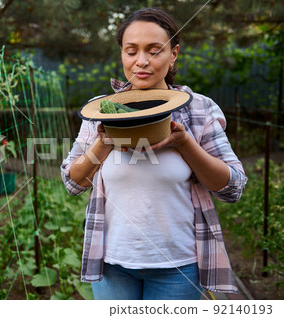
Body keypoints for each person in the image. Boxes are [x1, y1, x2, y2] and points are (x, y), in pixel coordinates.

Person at [60, 8, 247, 300]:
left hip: (180, 266)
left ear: (173, 54)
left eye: (154, 50)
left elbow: (233, 187)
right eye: (131, 51)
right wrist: (104, 142)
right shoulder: (99, 109)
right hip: (112, 263)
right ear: (121, 53)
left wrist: (184, 143)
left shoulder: (199, 109)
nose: (141, 61)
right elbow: (73, 182)